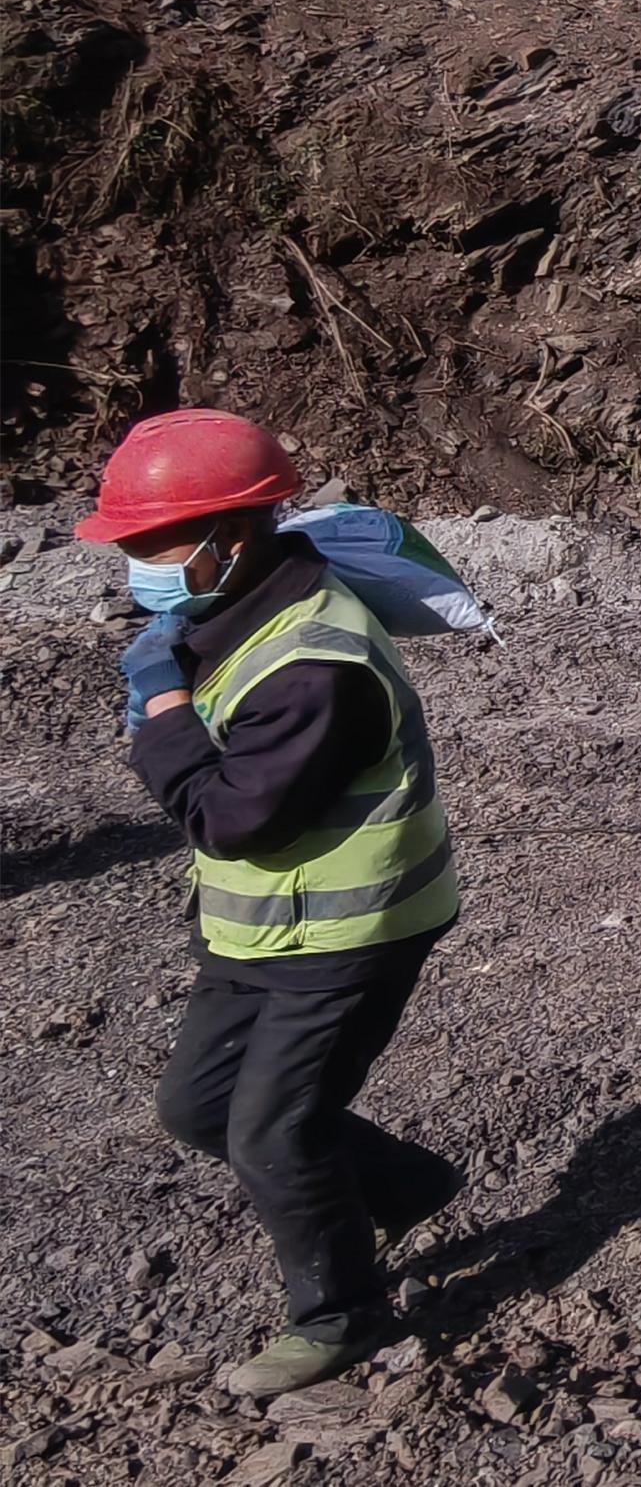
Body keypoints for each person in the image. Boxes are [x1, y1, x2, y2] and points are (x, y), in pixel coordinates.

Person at [77, 410, 466, 1395]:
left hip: (350, 928)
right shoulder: (229, 610)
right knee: (198, 1105)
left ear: (232, 536)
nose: (134, 564)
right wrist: (176, 677)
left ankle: (342, 1312)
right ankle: (407, 1185)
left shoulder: (313, 664)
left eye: (150, 543)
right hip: (262, 922)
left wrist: (163, 712)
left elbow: (230, 818)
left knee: (274, 1129)